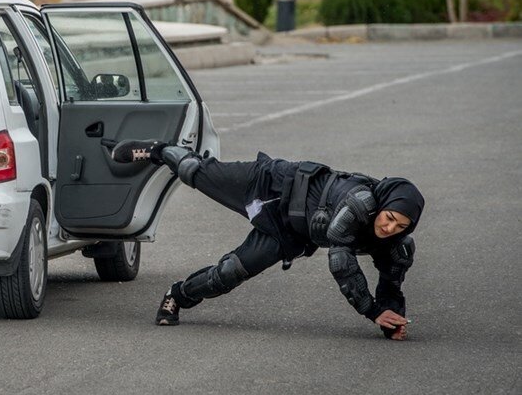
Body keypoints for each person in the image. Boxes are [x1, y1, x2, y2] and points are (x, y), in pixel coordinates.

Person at [111, 140, 425, 340]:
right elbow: (341, 262)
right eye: (389, 218)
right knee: (195, 173)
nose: (389, 228)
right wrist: (371, 311)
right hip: (270, 184)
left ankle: (177, 295)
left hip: (287, 232)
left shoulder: (397, 244)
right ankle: (159, 150)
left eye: (400, 225)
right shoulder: (360, 204)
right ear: (381, 205)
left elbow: (391, 283)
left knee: (229, 274)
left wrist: (390, 318)